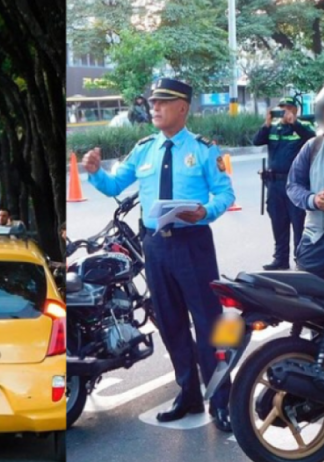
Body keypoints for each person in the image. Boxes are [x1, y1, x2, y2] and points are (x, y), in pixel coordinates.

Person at [81, 78, 235, 433]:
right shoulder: (145, 149)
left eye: (163, 102)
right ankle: (189, 393)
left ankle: (223, 399)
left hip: (192, 243)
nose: (155, 107)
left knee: (209, 323)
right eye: (152, 102)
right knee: (169, 321)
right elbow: (115, 185)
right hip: (156, 245)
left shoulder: (204, 150)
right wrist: (94, 174)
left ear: (183, 107)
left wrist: (205, 211)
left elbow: (224, 194)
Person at [254, 96, 317, 270]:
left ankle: (300, 261)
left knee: (298, 224)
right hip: (275, 184)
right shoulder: (274, 128)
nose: (284, 112)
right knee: (278, 223)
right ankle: (280, 259)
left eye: (287, 108)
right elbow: (256, 141)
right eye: (281, 108)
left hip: (295, 184)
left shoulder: (303, 126)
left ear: (295, 110)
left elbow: (312, 137)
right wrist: (266, 124)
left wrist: (294, 122)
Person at [286, 86, 324, 278]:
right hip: (316, 242)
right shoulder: (314, 147)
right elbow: (293, 185)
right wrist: (313, 200)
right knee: (306, 301)